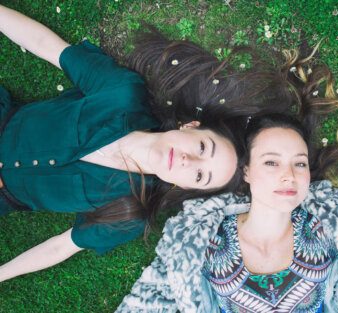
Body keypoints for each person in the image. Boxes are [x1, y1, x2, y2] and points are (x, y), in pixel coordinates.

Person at [116, 70, 338, 312]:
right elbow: (148, 301)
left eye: (299, 163)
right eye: (271, 162)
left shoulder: (337, 229)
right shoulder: (195, 242)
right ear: (247, 172)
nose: (289, 175)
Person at [0, 4, 252, 282]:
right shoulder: (122, 93)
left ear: (187, 186)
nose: (188, 161)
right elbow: (47, 46)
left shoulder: (130, 214)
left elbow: (60, 246)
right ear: (191, 126)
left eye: (200, 176)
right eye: (203, 148)